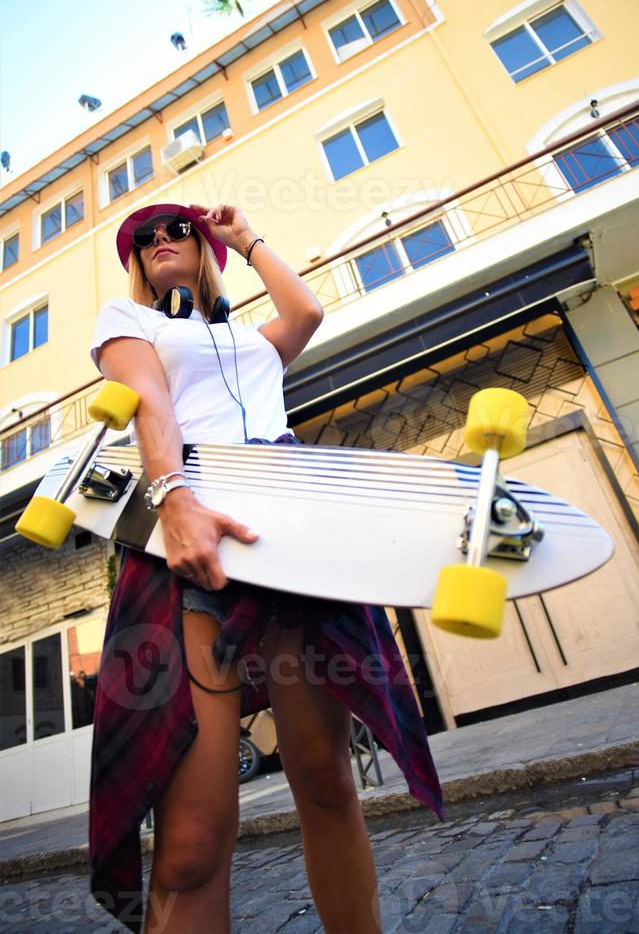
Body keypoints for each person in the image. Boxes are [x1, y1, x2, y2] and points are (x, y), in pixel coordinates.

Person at [88, 201, 444, 934]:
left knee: (324, 778)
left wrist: (244, 238)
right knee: (189, 841)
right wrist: (173, 497)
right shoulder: (131, 323)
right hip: (190, 548)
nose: (160, 240)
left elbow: (307, 311)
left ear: (200, 245)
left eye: (176, 229)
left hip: (296, 547)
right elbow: (152, 402)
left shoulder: (247, 340)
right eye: (145, 238)